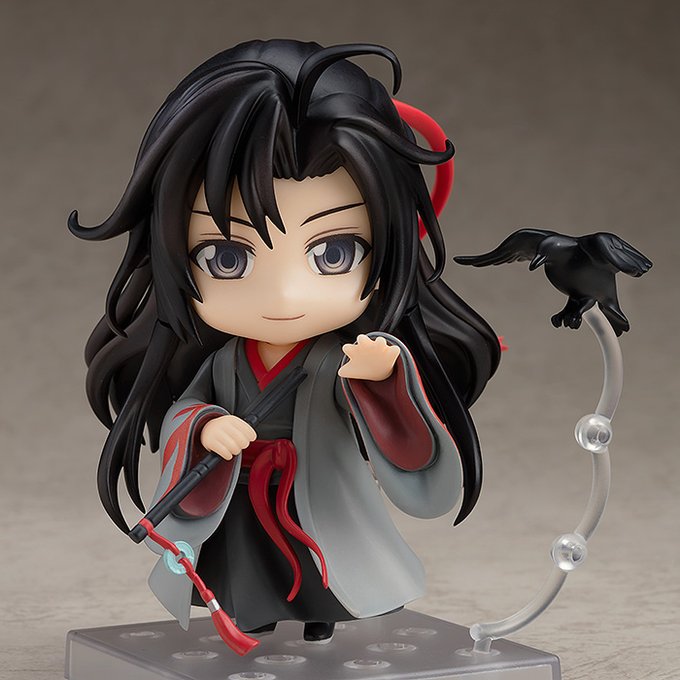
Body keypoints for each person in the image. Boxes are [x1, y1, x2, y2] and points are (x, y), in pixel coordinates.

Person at [70, 39, 501, 646]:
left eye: (334, 253)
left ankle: (323, 617)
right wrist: (204, 427)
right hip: (240, 492)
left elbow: (403, 444)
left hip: (319, 492)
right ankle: (254, 614)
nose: (284, 295)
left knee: (326, 565)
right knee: (244, 569)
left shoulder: (338, 359)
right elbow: (184, 410)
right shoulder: (225, 360)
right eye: (226, 257)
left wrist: (382, 380)